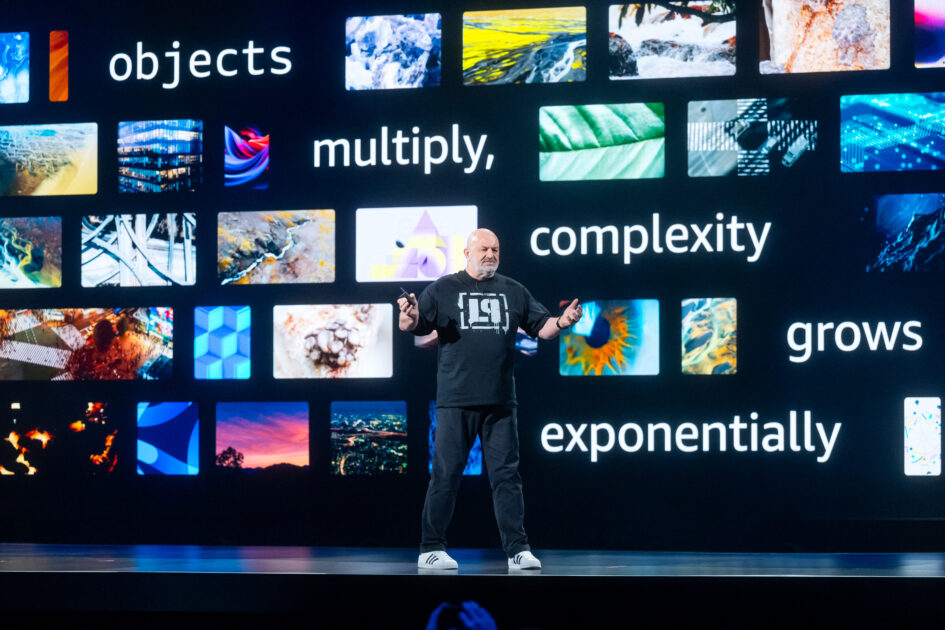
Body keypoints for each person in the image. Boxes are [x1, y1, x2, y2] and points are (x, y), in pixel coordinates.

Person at [398, 228, 582, 571]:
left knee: (507, 477)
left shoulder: (514, 290)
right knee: (446, 476)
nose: (490, 254)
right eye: (483, 249)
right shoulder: (443, 288)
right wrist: (407, 316)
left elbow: (543, 328)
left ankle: (518, 550)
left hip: (500, 402)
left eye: (495, 249)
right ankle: (430, 548)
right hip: (456, 400)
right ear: (467, 253)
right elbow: (415, 325)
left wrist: (563, 321)